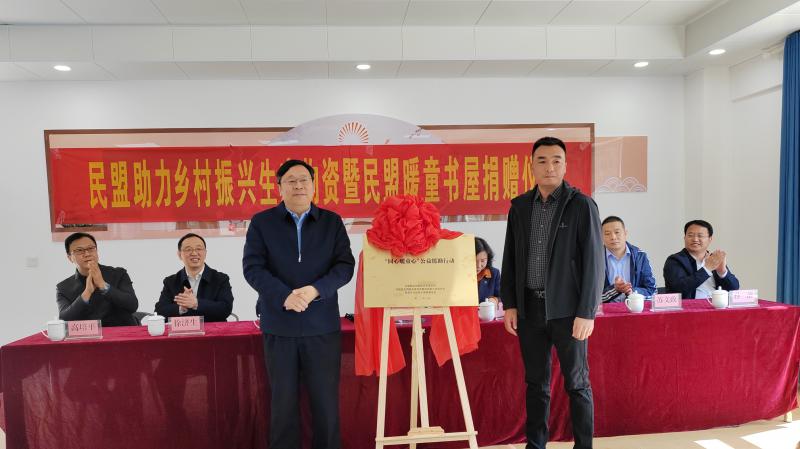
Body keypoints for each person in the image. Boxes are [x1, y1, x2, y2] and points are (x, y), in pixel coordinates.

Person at [243, 159, 355, 449]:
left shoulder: (331, 222)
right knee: (283, 406)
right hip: (279, 326)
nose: (298, 185)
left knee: (326, 405)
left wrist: (315, 290)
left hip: (322, 327)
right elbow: (253, 268)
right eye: (291, 180)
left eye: (304, 179)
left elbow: (344, 266)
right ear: (279, 187)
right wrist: (285, 296)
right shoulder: (262, 222)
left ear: (314, 185)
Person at [501, 136, 604, 449]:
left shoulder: (581, 205)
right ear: (532, 166)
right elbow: (510, 258)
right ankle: (536, 445)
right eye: (542, 161)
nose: (550, 167)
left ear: (565, 165)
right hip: (530, 310)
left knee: (577, 383)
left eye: (556, 160)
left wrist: (587, 312)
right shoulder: (520, 207)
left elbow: (594, 262)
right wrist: (510, 304)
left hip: (569, 312)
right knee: (536, 384)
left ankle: (583, 446)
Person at [57, 232, 139, 326]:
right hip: (88, 335)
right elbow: (64, 319)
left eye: (91, 248)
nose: (87, 254)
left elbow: (132, 305)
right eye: (79, 250)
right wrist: (87, 293)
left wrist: (103, 286)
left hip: (122, 331)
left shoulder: (118, 274)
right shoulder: (63, 288)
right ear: (70, 258)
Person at [155, 233, 234, 322]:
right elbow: (159, 311)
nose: (194, 253)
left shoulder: (220, 279)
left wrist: (196, 303)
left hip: (213, 329)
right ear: (179, 254)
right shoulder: (171, 281)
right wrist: (181, 307)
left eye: (199, 249)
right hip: (183, 330)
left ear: (205, 253)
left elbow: (226, 309)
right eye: (188, 249)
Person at [663, 219, 739, 299]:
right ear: (684, 238)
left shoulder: (714, 259)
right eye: (690, 235)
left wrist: (722, 272)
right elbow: (678, 289)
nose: (695, 239)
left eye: (700, 236)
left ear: (710, 239)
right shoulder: (675, 260)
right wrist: (707, 269)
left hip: (717, 304)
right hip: (690, 306)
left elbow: (734, 289)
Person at [600, 216, 657, 303]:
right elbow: (590, 297)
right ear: (601, 237)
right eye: (607, 234)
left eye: (617, 232)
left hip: (634, 309)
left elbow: (653, 292)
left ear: (625, 233)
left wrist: (632, 293)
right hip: (606, 310)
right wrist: (614, 290)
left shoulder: (640, 256)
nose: (613, 237)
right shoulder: (595, 260)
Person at [475, 236, 501, 304]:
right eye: (474, 261)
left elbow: (501, 296)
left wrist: (495, 300)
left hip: (486, 310)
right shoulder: (459, 274)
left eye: (482, 261)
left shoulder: (494, 273)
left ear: (488, 258)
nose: (478, 265)